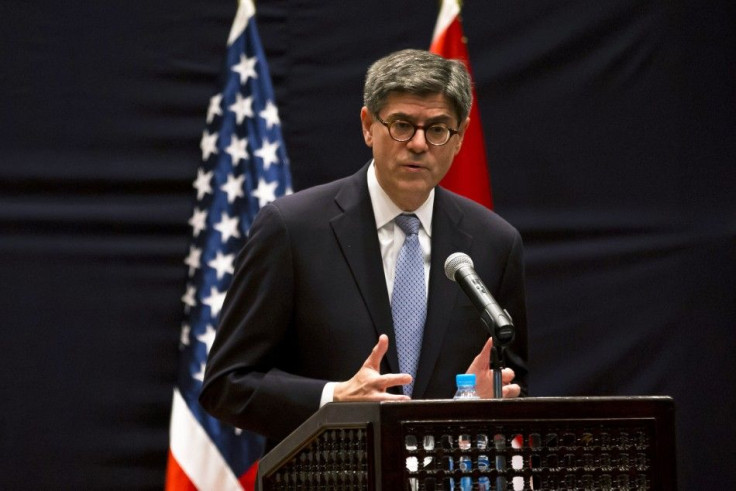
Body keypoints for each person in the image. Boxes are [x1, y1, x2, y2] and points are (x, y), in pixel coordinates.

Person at [199, 49, 528, 447]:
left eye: (438, 129)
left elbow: (515, 382)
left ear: (459, 138)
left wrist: (485, 400)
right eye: (402, 125)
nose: (420, 144)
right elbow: (227, 383)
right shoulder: (292, 229)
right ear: (368, 126)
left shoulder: (495, 243)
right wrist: (335, 398)